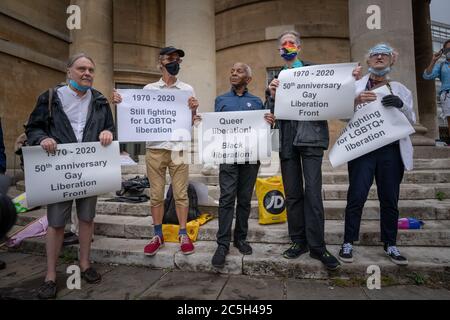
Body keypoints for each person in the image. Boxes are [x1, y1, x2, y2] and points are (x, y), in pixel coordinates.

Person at [266, 30, 361, 271]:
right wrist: (271, 95)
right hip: (286, 142)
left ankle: (318, 246)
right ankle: (298, 242)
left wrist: (350, 81)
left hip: (311, 140)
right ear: (280, 50)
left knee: (313, 193)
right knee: (293, 194)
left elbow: (337, 97)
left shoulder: (317, 73)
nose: (287, 46)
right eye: (283, 43)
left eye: (291, 43)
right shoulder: (277, 79)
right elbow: (269, 114)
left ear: (299, 47)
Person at [26, 53, 115, 299]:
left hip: (89, 168)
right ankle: (50, 276)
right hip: (59, 170)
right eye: (81, 69)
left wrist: (107, 131)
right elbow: (34, 127)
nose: (87, 73)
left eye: (91, 70)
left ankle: (85, 264)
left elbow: (110, 127)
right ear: (69, 71)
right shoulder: (51, 97)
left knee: (87, 218)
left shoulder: (99, 100)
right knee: (56, 223)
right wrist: (42, 138)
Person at [113, 46, 199, 256]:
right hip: (155, 148)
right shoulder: (149, 89)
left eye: (178, 59)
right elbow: (136, 114)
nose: (175, 62)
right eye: (171, 58)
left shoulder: (187, 89)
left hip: (179, 148)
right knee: (156, 194)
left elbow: (192, 121)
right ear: (161, 62)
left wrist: (195, 110)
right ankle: (157, 234)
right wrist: (121, 103)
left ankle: (183, 233)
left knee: (180, 194)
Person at [338, 44, 415, 266]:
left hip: (391, 152)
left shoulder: (401, 89)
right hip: (363, 150)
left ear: (392, 60)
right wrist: (355, 101)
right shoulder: (355, 87)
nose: (379, 57)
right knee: (356, 196)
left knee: (389, 199)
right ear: (368, 61)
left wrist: (401, 106)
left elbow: (411, 121)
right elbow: (342, 116)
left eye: (384, 54)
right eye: (374, 54)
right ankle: (348, 242)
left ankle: (390, 243)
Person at [207, 63, 275, 268]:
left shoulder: (256, 102)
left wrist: (269, 121)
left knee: (244, 199)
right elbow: (214, 127)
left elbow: (264, 129)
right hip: (228, 157)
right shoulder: (220, 100)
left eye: (239, 71)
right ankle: (222, 244)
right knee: (227, 198)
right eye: (232, 70)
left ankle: (241, 238)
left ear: (249, 79)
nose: (234, 73)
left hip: (250, 157)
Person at [423, 39, 450, 139]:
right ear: (444, 51)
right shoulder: (441, 66)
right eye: (447, 49)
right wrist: (433, 60)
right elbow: (427, 76)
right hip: (447, 95)